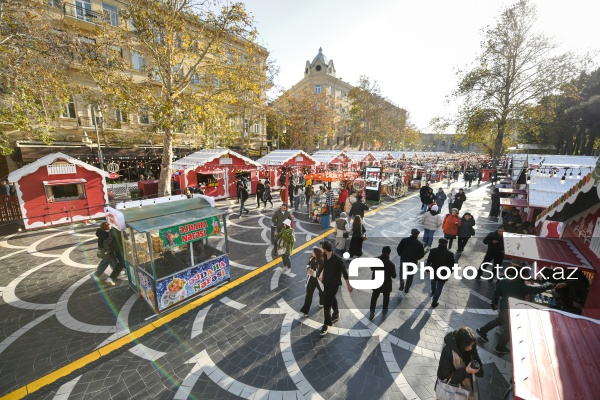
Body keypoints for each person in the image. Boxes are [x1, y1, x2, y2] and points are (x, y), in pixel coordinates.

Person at [475, 265, 563, 354]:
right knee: (509, 329)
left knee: (499, 321)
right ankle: (500, 347)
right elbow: (537, 289)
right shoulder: (521, 286)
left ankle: (483, 330)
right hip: (512, 308)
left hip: (503, 306)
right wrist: (548, 284)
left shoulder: (503, 281)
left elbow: (496, 292)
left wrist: (494, 303)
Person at [437, 327, 483, 399]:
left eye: (472, 345)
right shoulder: (448, 352)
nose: (470, 348)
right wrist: (466, 371)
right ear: (461, 343)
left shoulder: (470, 350)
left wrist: (475, 356)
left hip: (467, 389)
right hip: (451, 392)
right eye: (468, 346)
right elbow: (446, 379)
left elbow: (481, 373)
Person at [319, 240, 353, 337]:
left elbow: (344, 272)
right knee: (331, 298)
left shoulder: (337, 259)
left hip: (334, 284)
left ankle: (326, 324)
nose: (321, 249)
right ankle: (336, 312)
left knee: (327, 304)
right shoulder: (325, 256)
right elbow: (324, 266)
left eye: (322, 248)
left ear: (325, 249)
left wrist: (348, 285)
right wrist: (321, 274)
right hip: (326, 282)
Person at [369, 246, 397, 320]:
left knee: (374, 296)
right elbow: (394, 276)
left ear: (382, 251)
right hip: (386, 284)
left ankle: (372, 311)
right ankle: (384, 309)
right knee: (386, 295)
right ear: (389, 253)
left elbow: (372, 268)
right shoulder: (391, 264)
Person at [91, 222, 122, 286]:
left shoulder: (101, 232)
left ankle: (116, 272)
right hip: (107, 250)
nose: (110, 226)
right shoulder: (105, 234)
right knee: (106, 261)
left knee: (111, 261)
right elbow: (106, 243)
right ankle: (97, 274)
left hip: (106, 250)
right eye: (109, 226)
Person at [427, 238, 455, 308]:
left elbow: (429, 260)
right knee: (439, 287)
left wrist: (427, 268)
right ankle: (434, 302)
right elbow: (452, 265)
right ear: (446, 244)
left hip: (433, 270)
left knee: (433, 282)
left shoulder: (433, 251)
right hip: (444, 272)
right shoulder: (450, 254)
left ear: (438, 243)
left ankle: (433, 291)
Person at [397, 228, 425, 293]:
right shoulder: (419, 244)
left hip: (404, 259)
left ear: (411, 233)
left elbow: (399, 249)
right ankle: (407, 288)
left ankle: (401, 283)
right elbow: (422, 255)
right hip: (413, 261)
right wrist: (417, 258)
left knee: (402, 272)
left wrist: (401, 255)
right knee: (410, 275)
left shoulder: (404, 240)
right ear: (417, 234)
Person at [299, 247, 324, 316]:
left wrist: (313, 273)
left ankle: (322, 303)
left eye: (313, 252)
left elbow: (321, 273)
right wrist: (308, 269)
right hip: (311, 280)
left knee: (322, 292)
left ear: (316, 254)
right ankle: (305, 311)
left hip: (319, 281)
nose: (311, 253)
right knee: (308, 295)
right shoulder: (312, 258)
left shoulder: (322, 262)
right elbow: (308, 265)